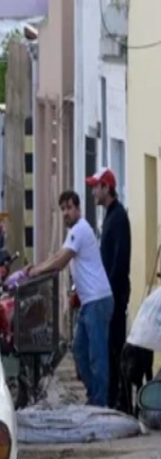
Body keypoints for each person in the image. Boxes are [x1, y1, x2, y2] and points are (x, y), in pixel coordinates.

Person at [27, 191, 114, 407]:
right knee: (79, 350)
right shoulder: (74, 232)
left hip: (97, 300)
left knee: (96, 353)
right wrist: (36, 268)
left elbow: (61, 262)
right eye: (63, 209)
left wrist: (36, 272)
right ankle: (95, 395)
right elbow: (58, 255)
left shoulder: (81, 229)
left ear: (78, 208)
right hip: (88, 302)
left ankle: (100, 401)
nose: (65, 213)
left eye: (69, 208)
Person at [90, 167, 132, 410]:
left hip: (114, 295)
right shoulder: (110, 215)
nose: (94, 191)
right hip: (110, 293)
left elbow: (120, 259)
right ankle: (115, 398)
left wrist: (110, 291)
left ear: (107, 188)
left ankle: (121, 401)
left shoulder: (118, 217)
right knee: (109, 347)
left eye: (97, 186)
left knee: (114, 347)